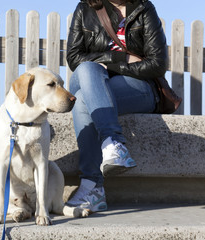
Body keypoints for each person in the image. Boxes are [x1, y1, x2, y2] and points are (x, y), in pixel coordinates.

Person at [66, 0, 167, 212]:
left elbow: (158, 63)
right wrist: (120, 57)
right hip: (88, 77)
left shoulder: (143, 8)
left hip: (136, 86)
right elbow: (74, 58)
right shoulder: (85, 8)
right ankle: (113, 144)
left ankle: (92, 187)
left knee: (84, 100)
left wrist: (114, 66)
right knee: (87, 70)